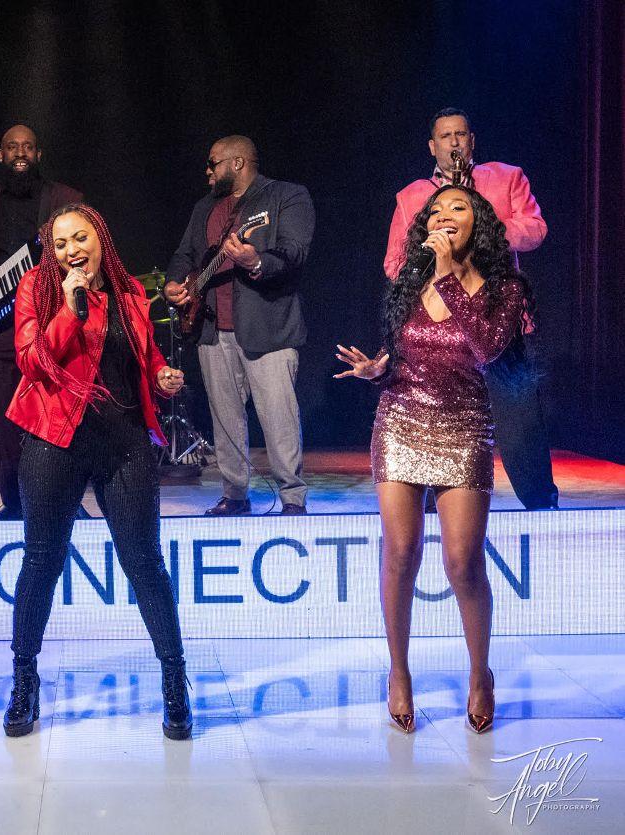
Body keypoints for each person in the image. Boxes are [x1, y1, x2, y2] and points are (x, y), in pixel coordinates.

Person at [336, 184, 531, 735]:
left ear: (479, 222)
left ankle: (480, 673)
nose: (443, 216)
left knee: (463, 561)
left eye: (457, 208)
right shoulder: (413, 276)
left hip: (464, 426)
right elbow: (403, 350)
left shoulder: (504, 286)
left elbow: (486, 347)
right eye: (435, 210)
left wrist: (449, 275)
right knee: (400, 551)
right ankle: (399, 672)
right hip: (400, 419)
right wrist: (378, 368)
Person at [2, 203, 192, 740]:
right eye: (60, 244)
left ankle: (174, 682)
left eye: (80, 238)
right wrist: (69, 308)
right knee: (41, 561)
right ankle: (24, 681)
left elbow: (143, 360)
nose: (71, 251)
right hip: (53, 439)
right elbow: (33, 361)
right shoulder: (36, 290)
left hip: (121, 440)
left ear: (100, 238)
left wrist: (163, 375)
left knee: (145, 564)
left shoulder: (130, 294)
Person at [384, 108, 557, 510]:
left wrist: (482, 228)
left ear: (472, 140)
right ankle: (433, 516)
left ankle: (541, 507)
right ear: (433, 146)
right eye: (446, 136)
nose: (454, 142)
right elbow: (393, 264)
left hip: (498, 318)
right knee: (435, 423)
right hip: (438, 330)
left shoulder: (506, 177)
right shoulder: (412, 196)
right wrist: (429, 265)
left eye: (461, 134)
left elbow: (536, 229)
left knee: (520, 423)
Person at [164, 135, 315, 515]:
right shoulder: (205, 207)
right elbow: (185, 254)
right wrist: (174, 282)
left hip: (269, 327)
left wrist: (255, 261)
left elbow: (294, 252)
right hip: (213, 329)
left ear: (237, 163)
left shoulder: (286, 196)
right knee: (225, 419)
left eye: (213, 163)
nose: (207, 171)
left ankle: (292, 499)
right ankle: (234, 495)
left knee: (279, 417)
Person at [0, 124, 83, 520]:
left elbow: (86, 250)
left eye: (28, 147)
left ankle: (64, 503)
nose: (20, 153)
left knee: (57, 414)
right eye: (12, 147)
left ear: (38, 154)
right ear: (0, 155)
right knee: (4, 418)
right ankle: (15, 503)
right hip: (0, 325)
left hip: (53, 321)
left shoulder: (65, 198)